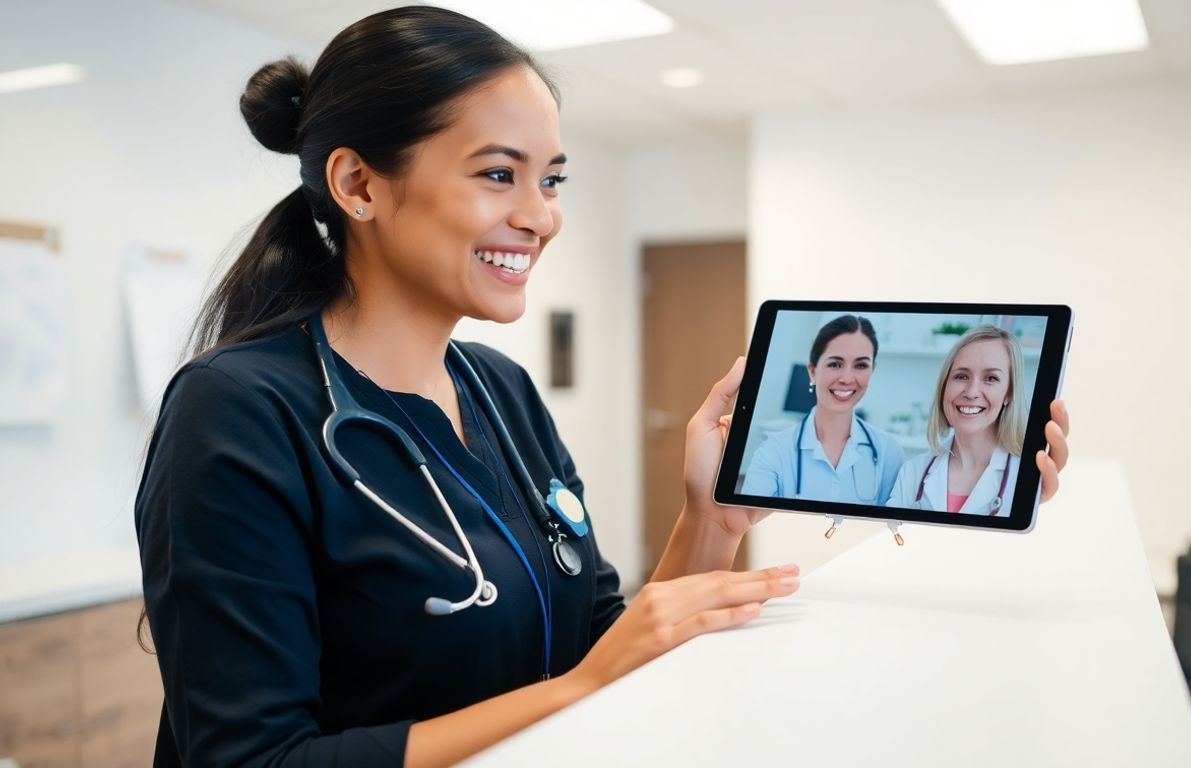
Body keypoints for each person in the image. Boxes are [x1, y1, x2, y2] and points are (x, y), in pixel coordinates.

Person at [135, 8, 1070, 767]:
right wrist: (581, 690)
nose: (540, 216)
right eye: (499, 173)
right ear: (359, 185)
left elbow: (596, 649)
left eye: (552, 178)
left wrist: (710, 520)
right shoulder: (238, 411)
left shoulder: (499, 391)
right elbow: (252, 760)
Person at [741, 315, 904, 504]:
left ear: (872, 371)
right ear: (812, 372)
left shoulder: (888, 451)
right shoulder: (773, 452)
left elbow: (893, 527)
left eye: (861, 365)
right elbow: (753, 528)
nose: (847, 378)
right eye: (835, 364)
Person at [888, 325, 1034, 515]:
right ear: (944, 387)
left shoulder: (1029, 477)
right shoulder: (912, 473)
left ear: (1009, 394)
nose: (972, 392)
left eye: (990, 378)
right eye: (961, 376)